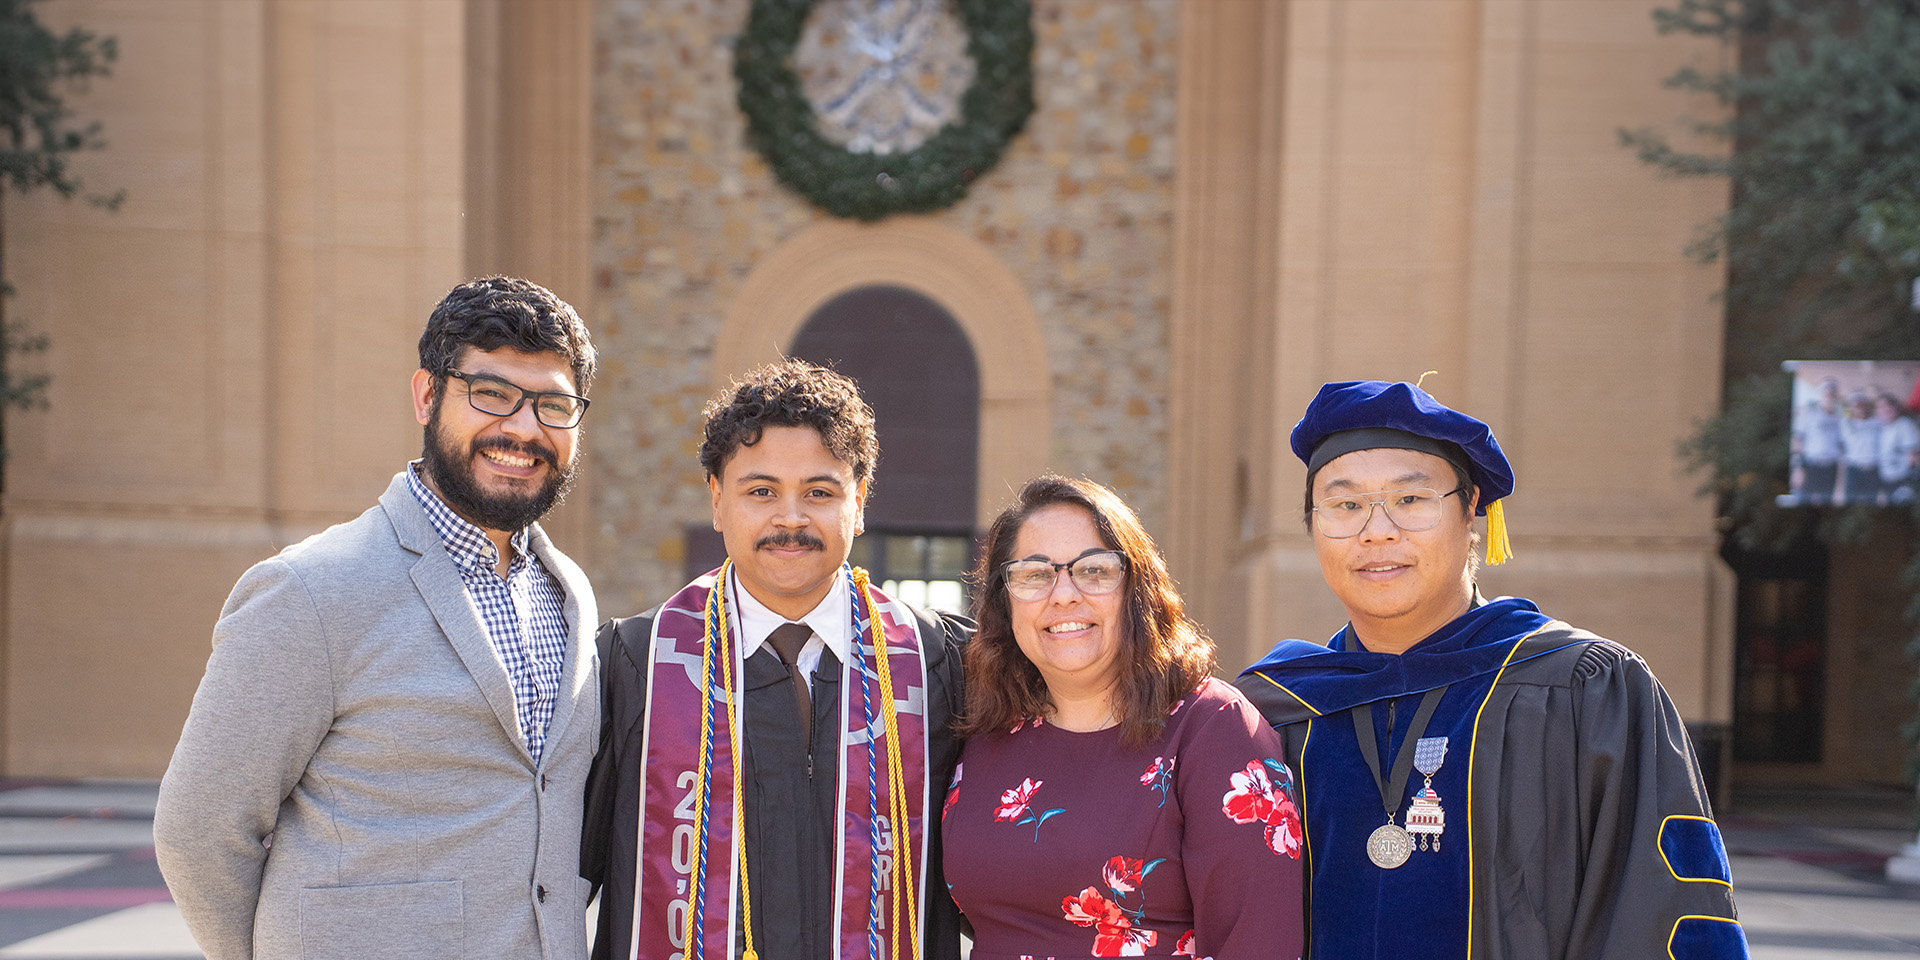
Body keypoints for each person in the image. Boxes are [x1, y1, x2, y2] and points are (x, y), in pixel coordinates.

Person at [154, 277, 601, 960]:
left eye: (553, 405)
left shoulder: (567, 591)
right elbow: (198, 829)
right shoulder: (309, 591)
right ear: (427, 396)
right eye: (491, 393)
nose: (522, 428)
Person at [1234, 380, 1748, 960]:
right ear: (1313, 525)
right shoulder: (1276, 709)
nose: (1377, 531)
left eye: (1411, 499)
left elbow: (1659, 908)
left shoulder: (1582, 688)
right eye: (1345, 505)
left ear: (1471, 510)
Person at [583, 360, 971, 960]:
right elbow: (552, 882)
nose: (791, 518)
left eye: (819, 493)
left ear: (859, 502)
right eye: (761, 492)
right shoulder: (633, 667)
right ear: (718, 501)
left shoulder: (937, 664)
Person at [943, 475, 1304, 960]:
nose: (1063, 594)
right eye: (1034, 575)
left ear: (1137, 589)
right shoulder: (985, 728)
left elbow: (1257, 941)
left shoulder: (1213, 729)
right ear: (1003, 602)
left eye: (1094, 570)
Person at [1875, 393, 1920, 505]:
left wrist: (1908, 483)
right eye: (1880, 407)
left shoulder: (1904, 425)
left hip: (1902, 479)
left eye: (1887, 406)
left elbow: (1914, 455)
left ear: (1895, 408)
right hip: (1887, 479)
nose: (1884, 409)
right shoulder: (1883, 427)